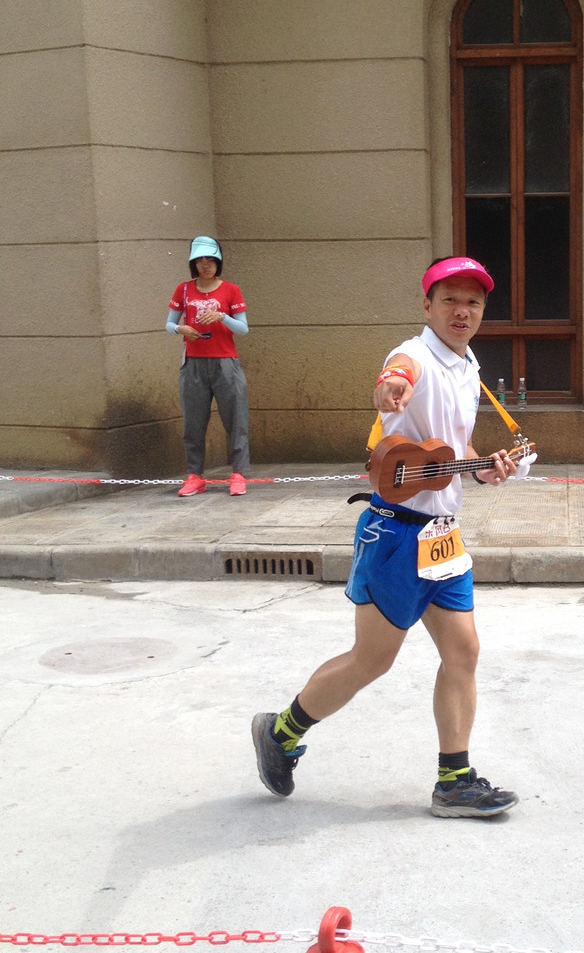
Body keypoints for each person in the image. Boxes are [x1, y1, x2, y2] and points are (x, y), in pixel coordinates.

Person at [251, 255, 522, 818]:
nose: (462, 310)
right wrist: (389, 386)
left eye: (473, 301)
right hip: (396, 535)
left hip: (444, 536)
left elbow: (453, 450)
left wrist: (485, 467)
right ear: (427, 304)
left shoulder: (467, 366)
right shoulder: (415, 355)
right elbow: (398, 374)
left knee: (464, 651)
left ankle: (454, 782)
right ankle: (280, 732)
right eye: (450, 299)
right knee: (372, 660)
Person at [166, 236, 250, 497]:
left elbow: (243, 328)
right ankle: (195, 475)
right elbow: (169, 324)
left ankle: (238, 474)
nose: (206, 265)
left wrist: (222, 316)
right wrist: (180, 328)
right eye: (200, 260)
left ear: (219, 262)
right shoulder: (183, 289)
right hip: (193, 364)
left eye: (211, 260)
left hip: (226, 363)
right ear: (193, 263)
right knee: (193, 422)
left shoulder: (231, 290)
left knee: (236, 419)